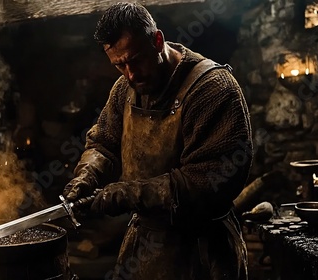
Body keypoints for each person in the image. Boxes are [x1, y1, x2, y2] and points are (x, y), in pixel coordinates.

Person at [62, 2, 253, 280]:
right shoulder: (125, 89)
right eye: (119, 65)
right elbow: (104, 143)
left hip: (202, 253)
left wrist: (128, 194)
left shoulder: (213, 90)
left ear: (158, 40)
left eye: (136, 59)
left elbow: (207, 182)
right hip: (144, 246)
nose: (130, 74)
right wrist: (86, 176)